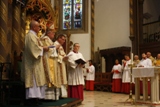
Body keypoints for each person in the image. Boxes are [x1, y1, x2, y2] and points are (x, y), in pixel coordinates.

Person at [23, 20, 49, 105]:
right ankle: (31, 99)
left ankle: (36, 98)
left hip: (36, 63)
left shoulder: (35, 36)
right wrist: (43, 48)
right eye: (38, 27)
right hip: (31, 64)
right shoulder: (30, 36)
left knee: (37, 80)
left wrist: (43, 47)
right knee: (33, 81)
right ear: (34, 27)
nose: (39, 28)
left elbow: (38, 46)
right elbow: (33, 49)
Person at [40, 28, 60, 100]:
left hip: (52, 60)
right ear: (48, 33)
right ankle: (47, 96)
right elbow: (47, 49)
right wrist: (55, 48)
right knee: (49, 76)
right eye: (53, 33)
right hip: (48, 60)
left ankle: (52, 96)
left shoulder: (50, 40)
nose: (54, 35)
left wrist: (55, 48)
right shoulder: (45, 39)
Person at [54, 34, 68, 99]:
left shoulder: (60, 46)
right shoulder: (55, 44)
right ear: (59, 38)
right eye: (63, 39)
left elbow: (62, 54)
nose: (64, 41)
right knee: (59, 78)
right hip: (57, 65)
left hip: (61, 64)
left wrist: (66, 57)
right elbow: (54, 55)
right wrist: (62, 58)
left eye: (64, 40)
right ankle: (58, 94)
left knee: (62, 79)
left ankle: (62, 94)